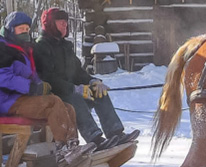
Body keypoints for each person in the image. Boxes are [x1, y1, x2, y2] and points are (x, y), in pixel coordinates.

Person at [0, 11, 94, 164]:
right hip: (8, 101)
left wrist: (40, 84)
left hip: (24, 99)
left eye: (27, 29)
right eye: (21, 29)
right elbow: (3, 78)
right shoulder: (0, 49)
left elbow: (32, 74)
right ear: (11, 30)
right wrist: (31, 87)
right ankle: (63, 148)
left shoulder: (21, 49)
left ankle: (72, 145)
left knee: (67, 107)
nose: (25, 32)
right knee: (52, 102)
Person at [33, 8, 139, 150]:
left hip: (71, 92)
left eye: (66, 22)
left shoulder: (65, 46)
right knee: (76, 97)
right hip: (55, 96)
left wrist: (92, 81)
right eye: (60, 22)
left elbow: (77, 72)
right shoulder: (41, 46)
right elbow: (48, 77)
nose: (65, 25)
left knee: (98, 91)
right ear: (50, 24)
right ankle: (94, 139)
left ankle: (115, 133)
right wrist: (73, 88)